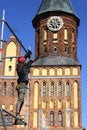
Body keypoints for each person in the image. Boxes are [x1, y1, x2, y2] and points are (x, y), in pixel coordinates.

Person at [14, 49, 33, 125]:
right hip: (22, 86)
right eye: (24, 60)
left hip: (19, 85)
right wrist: (30, 54)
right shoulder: (25, 67)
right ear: (23, 62)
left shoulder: (18, 66)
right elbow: (31, 60)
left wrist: (26, 55)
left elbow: (21, 60)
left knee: (21, 100)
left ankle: (17, 114)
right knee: (20, 100)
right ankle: (17, 114)